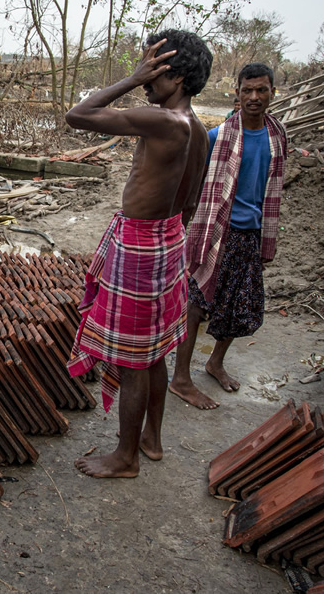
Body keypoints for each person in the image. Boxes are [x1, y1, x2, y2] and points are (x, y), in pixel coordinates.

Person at [65, 30, 213, 478]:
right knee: (153, 353)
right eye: (146, 66)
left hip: (142, 242)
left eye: (157, 69)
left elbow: (78, 115)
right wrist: (168, 242)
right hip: (169, 239)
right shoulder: (200, 129)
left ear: (181, 77)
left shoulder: (162, 120)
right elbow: (189, 202)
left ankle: (125, 457)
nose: (149, 77)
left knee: (132, 359)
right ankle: (151, 438)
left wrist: (131, 78)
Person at [168, 63, 288, 410]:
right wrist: (184, 228)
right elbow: (193, 185)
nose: (254, 97)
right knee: (196, 303)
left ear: (272, 93)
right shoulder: (217, 136)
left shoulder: (276, 137)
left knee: (241, 303)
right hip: (214, 230)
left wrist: (267, 237)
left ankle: (215, 362)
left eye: (261, 90)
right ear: (236, 92)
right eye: (247, 90)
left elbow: (272, 190)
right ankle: (180, 377)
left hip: (250, 233)